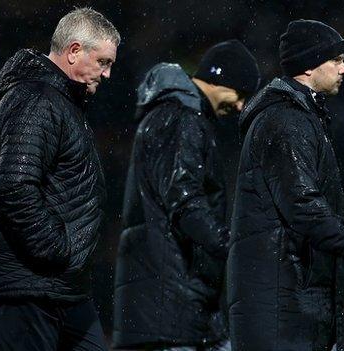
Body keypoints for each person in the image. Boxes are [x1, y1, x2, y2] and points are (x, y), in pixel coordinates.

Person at [227, 20, 344, 351]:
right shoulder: (286, 120)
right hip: (282, 306)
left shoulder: (298, 116)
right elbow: (303, 206)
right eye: (335, 60)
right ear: (308, 66)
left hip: (286, 301)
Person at [0, 7, 119, 351]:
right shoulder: (37, 99)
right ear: (75, 51)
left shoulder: (59, 101)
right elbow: (14, 187)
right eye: (104, 62)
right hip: (30, 286)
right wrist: (57, 250)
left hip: (59, 286)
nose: (107, 74)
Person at [112, 40, 260, 351]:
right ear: (219, 79)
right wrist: (233, 246)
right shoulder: (182, 118)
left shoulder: (172, 116)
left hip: (165, 304)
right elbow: (185, 202)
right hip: (171, 309)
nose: (240, 106)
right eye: (240, 93)